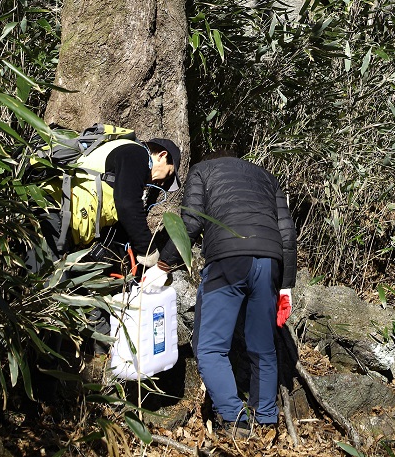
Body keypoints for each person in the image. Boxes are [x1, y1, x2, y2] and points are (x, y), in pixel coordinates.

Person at [146, 150, 297, 437]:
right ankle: (265, 420)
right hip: (269, 261)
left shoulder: (202, 170)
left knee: (210, 347)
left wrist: (164, 264)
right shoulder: (267, 177)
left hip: (229, 258)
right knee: (263, 347)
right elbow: (287, 232)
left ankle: (234, 419)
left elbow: (190, 223)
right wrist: (286, 285)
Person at [26, 135, 182, 355]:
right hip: (51, 216)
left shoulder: (122, 158)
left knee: (64, 294)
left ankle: (84, 359)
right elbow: (128, 204)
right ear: (162, 156)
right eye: (168, 175)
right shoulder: (136, 153)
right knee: (51, 298)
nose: (161, 183)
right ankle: (44, 373)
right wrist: (150, 253)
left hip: (64, 223)